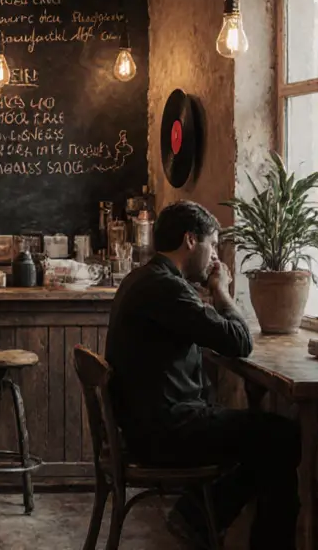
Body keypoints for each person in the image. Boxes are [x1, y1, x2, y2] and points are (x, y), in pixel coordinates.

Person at [104, 200, 300, 549]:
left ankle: (198, 515)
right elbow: (239, 341)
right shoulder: (166, 288)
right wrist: (221, 289)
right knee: (282, 438)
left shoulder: (145, 278)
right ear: (190, 240)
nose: (214, 257)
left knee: (267, 437)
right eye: (212, 244)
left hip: (145, 426)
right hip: (164, 433)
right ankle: (195, 516)